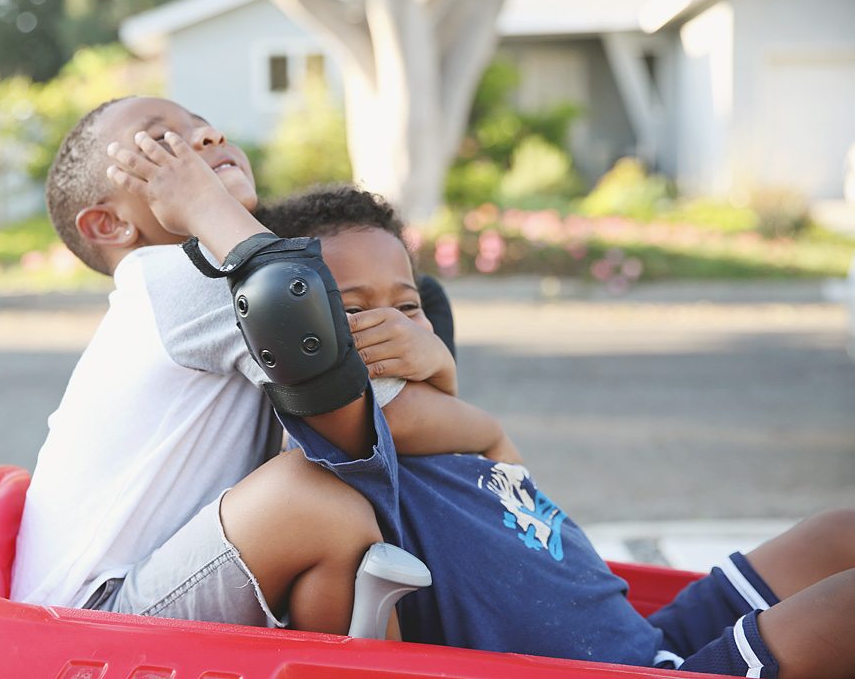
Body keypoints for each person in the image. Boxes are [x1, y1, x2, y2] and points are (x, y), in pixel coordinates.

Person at [252, 185, 855, 678]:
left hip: (654, 642)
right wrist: (435, 365)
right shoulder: (350, 445)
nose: (393, 325)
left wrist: (442, 367)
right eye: (354, 310)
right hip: (623, 676)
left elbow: (489, 439)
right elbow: (364, 406)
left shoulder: (463, 440)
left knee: (839, 533)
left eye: (409, 308)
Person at [10, 95, 501, 636]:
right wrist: (473, 409)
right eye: (160, 140)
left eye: (207, 126)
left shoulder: (203, 280)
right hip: (81, 620)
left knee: (322, 505)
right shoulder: (180, 277)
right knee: (313, 499)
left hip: (134, 593)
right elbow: (364, 416)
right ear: (108, 225)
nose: (206, 139)